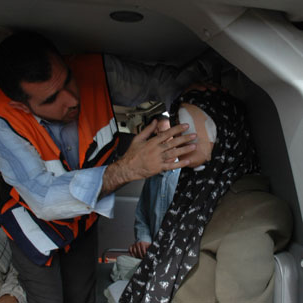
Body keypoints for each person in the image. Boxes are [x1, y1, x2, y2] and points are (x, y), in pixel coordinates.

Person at [0, 31, 206, 303]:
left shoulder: (97, 71)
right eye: (51, 99)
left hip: (82, 222)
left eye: (69, 79)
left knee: (82, 297)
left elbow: (161, 82)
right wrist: (128, 169)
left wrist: (194, 98)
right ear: (21, 106)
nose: (71, 99)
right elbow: (44, 198)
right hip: (32, 229)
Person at [120, 89, 293, 303]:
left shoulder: (255, 211)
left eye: (188, 127)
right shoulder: (191, 194)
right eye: (177, 128)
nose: (177, 140)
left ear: (225, 132)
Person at [129, 115, 180, 259]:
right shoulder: (151, 177)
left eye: (165, 135)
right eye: (155, 136)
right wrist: (144, 239)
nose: (161, 141)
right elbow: (142, 214)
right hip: (153, 256)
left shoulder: (186, 175)